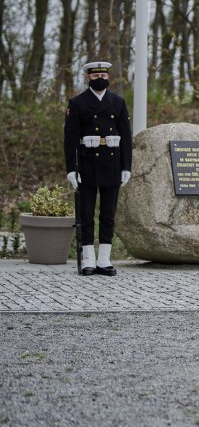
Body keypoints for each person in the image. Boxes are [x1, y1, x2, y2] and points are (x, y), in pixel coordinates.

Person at [64, 61, 133, 276]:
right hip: (86, 164)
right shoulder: (77, 103)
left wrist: (126, 166)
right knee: (85, 214)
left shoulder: (118, 102)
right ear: (88, 78)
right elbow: (70, 139)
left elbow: (126, 137)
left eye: (103, 74)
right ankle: (88, 259)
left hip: (112, 163)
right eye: (95, 76)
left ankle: (104, 259)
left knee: (108, 214)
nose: (100, 78)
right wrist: (71, 169)